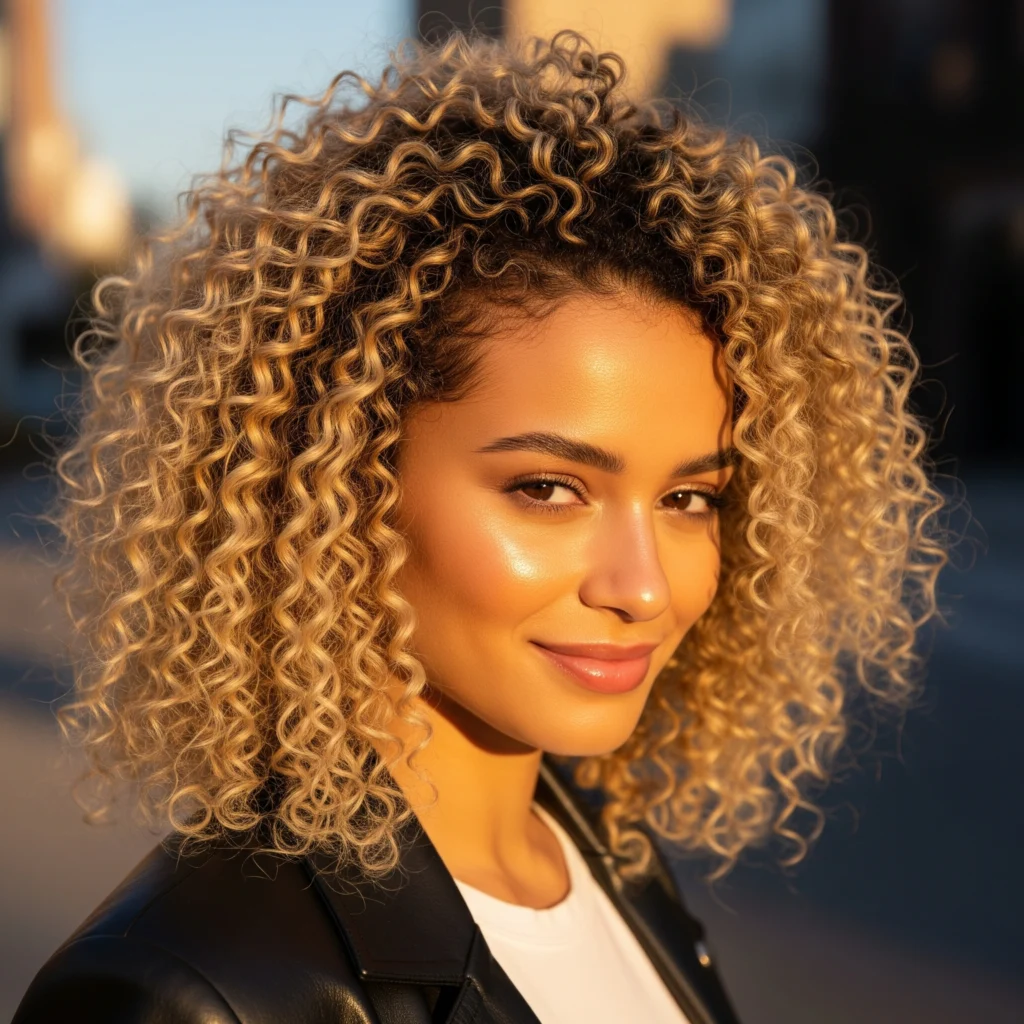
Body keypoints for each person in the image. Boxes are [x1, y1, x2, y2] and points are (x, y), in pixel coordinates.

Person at [13, 29, 950, 1024]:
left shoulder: (608, 868)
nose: (642, 586)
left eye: (689, 498)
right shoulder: (192, 992)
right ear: (331, 478)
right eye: (548, 488)